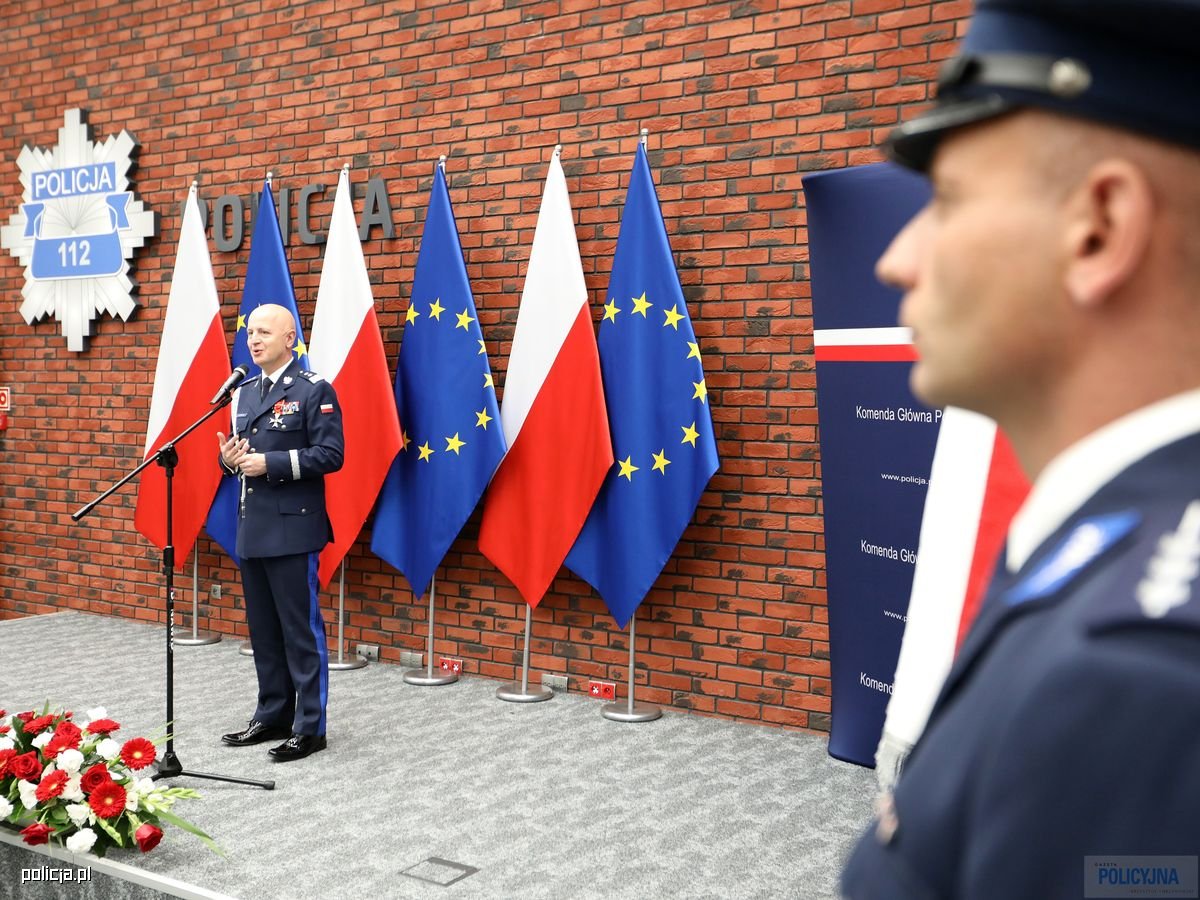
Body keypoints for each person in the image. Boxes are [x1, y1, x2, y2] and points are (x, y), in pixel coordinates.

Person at [841, 0, 1200, 896]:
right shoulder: (1120, 552)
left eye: (947, 201)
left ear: (1099, 228)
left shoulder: (1135, 681)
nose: (896, 259)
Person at [216, 303, 344, 762]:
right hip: (253, 526)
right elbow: (239, 459)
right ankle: (272, 714)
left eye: (264, 332)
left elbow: (331, 455)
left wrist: (269, 463)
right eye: (251, 332)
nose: (254, 340)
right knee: (264, 631)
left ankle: (310, 727)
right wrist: (228, 460)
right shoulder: (243, 392)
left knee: (299, 631)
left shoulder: (313, 389)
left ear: (290, 339)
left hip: (292, 528)